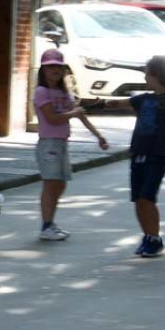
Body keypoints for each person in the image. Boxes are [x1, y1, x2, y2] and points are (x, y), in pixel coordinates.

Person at [104, 55, 165, 257]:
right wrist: (102, 101)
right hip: (137, 154)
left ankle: (155, 238)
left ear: (155, 75)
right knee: (138, 199)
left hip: (156, 156)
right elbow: (121, 103)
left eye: (147, 72)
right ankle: (147, 236)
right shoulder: (144, 99)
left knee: (148, 198)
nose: (145, 75)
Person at [34, 49, 108, 241]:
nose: (55, 70)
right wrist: (73, 113)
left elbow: (80, 114)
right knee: (51, 184)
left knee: (60, 184)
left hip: (62, 143)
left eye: (58, 67)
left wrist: (98, 135)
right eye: (50, 67)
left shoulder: (63, 93)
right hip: (49, 144)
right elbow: (52, 118)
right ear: (43, 70)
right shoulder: (41, 92)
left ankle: (50, 222)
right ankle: (46, 225)